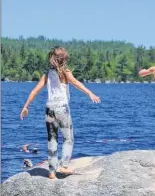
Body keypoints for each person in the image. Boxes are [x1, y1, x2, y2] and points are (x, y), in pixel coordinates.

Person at [20, 46, 101, 179]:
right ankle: (64, 166)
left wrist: (26, 106)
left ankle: (51, 171)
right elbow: (75, 82)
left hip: (49, 109)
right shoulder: (65, 72)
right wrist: (90, 93)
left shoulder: (47, 75)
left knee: (52, 139)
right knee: (68, 138)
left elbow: (35, 91)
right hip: (62, 108)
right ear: (64, 59)